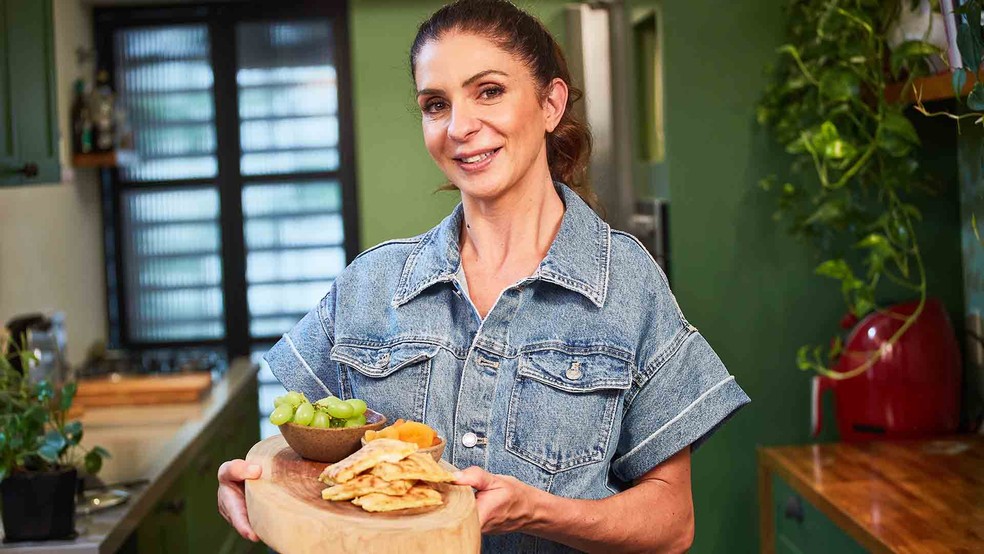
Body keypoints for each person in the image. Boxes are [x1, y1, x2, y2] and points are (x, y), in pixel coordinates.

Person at [218, 1, 749, 551]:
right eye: (435, 104)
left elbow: (672, 522)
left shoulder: (628, 283)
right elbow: (306, 452)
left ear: (550, 103)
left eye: (489, 91)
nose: (460, 127)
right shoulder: (370, 283)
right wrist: (255, 488)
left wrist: (538, 511)